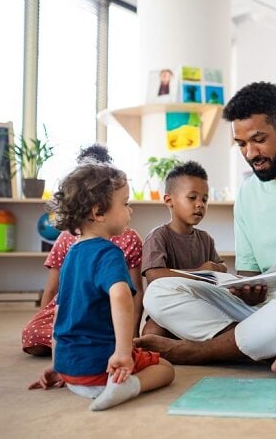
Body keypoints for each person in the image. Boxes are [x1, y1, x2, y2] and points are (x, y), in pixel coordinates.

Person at [136, 81, 276, 379]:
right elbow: (248, 275)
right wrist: (247, 292)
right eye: (241, 144)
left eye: (259, 139)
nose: (251, 152)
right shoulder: (246, 194)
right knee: (159, 292)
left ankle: (201, 351)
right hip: (266, 312)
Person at [28, 163, 174, 411]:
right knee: (166, 369)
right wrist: (123, 353)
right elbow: (121, 295)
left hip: (71, 371)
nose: (131, 211)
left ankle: (81, 378)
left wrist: (58, 364)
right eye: (126, 203)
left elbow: (59, 315)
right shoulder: (109, 253)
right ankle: (126, 387)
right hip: (102, 369)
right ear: (98, 212)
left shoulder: (72, 254)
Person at [21, 145, 144, 356]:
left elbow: (133, 291)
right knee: (32, 336)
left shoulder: (128, 239)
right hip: (74, 306)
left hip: (105, 310)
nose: (130, 209)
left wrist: (130, 337)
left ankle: (79, 346)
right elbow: (54, 292)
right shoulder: (68, 240)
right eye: (126, 204)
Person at [140, 160, 227, 336]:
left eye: (204, 199)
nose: (200, 204)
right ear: (169, 200)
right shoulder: (158, 236)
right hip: (169, 309)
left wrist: (216, 268)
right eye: (192, 197)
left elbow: (221, 268)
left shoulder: (205, 238)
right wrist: (199, 273)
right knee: (151, 333)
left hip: (202, 308)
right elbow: (154, 275)